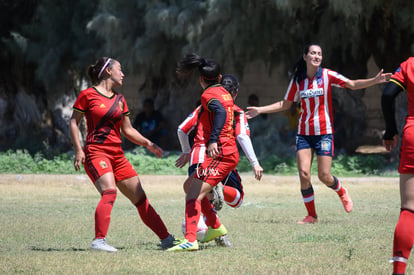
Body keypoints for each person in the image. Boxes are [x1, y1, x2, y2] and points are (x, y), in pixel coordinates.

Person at [246, 44, 392, 224]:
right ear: (305, 57)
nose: (316, 56)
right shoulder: (298, 80)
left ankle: (341, 191)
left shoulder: (327, 75)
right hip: (304, 134)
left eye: (319, 54)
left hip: (324, 133)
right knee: (304, 174)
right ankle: (311, 216)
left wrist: (375, 80)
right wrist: (260, 110)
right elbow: (285, 104)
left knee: (324, 176)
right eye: (313, 53)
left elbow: (352, 84)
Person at [69, 57, 179, 252]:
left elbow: (128, 130)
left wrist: (149, 144)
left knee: (140, 198)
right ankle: (99, 241)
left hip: (117, 156)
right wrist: (79, 150)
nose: (123, 74)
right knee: (109, 191)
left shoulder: (120, 100)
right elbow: (73, 122)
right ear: (108, 71)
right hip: (96, 152)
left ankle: (167, 239)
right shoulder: (87, 95)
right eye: (120, 69)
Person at [167, 54, 239, 251]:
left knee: (192, 195)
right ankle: (215, 227)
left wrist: (213, 139)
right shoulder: (225, 91)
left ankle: (190, 240)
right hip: (227, 151)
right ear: (219, 77)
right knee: (190, 186)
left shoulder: (208, 95)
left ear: (201, 79)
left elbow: (221, 113)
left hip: (221, 153)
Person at [175, 74, 263, 213]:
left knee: (196, 194)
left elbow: (181, 129)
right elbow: (242, 136)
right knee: (237, 199)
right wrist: (255, 163)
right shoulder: (237, 111)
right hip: (221, 157)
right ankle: (199, 227)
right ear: (235, 93)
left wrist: (186, 151)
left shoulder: (203, 107)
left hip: (198, 155)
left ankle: (202, 227)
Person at [381, 57, 414, 275]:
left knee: (409, 209)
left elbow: (387, 95)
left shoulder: (410, 64)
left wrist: (390, 130)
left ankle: (399, 271)